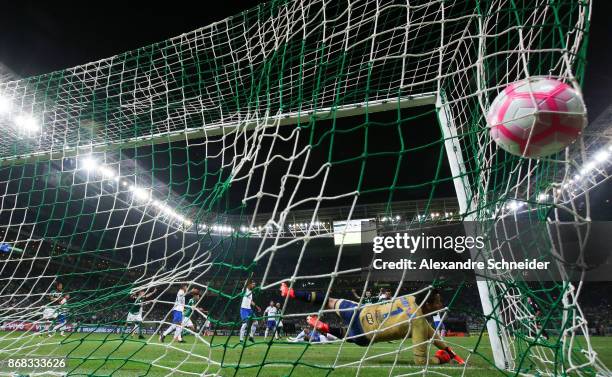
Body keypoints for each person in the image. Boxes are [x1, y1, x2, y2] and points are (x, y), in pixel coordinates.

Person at [280, 283, 464, 365]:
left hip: (360, 312)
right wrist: (443, 358)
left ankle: (292, 292)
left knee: (329, 301)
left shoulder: (409, 298)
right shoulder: (419, 323)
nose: (441, 305)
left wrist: (452, 352)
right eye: (438, 302)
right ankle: (326, 328)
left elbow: (433, 335)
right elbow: (420, 361)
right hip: (364, 336)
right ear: (428, 305)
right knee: (349, 335)